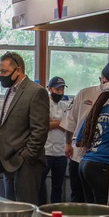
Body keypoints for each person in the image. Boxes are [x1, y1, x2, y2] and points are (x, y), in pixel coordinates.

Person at [61, 59, 109, 202]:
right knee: (78, 197)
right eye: (105, 82)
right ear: (100, 79)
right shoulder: (84, 94)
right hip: (79, 155)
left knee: (97, 201)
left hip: (101, 160)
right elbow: (70, 121)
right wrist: (68, 143)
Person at [0, 51, 49, 204]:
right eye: (0, 71)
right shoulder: (10, 91)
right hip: (8, 162)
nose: (1, 75)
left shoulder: (36, 92)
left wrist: (26, 157)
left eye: (4, 71)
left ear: (18, 70)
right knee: (11, 210)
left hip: (25, 164)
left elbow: (40, 130)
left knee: (26, 210)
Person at [40, 76, 70, 205]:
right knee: (40, 184)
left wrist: (54, 122)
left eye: (62, 89)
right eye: (57, 89)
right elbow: (44, 125)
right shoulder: (43, 104)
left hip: (61, 152)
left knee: (57, 187)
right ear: (50, 88)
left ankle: (55, 212)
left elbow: (69, 126)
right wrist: (60, 123)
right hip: (45, 151)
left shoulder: (65, 106)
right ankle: (40, 209)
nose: (60, 92)